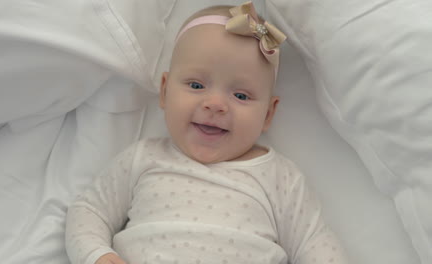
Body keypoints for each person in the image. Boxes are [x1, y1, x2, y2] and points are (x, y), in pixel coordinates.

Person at [65, 2, 349, 264]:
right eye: (197, 86)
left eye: (240, 95)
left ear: (268, 114)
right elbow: (89, 211)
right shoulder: (144, 158)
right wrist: (97, 255)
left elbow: (316, 246)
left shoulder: (280, 178)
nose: (215, 105)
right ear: (164, 91)